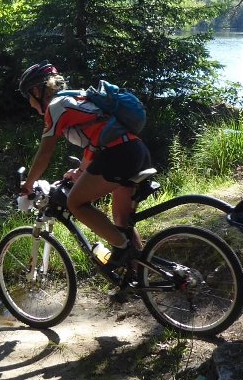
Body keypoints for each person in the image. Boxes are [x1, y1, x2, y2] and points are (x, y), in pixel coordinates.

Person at [17, 61, 152, 269]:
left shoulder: (55, 107)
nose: (29, 103)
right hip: (136, 149)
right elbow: (99, 139)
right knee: (121, 222)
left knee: (75, 203)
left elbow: (44, 153)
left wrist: (28, 184)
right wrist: (80, 171)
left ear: (37, 90)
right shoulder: (78, 98)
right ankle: (136, 280)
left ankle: (124, 248)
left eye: (28, 97)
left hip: (119, 154)